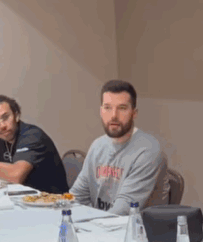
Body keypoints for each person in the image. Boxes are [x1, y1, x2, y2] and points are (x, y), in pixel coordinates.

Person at [69, 80, 169, 214]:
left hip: (134, 226)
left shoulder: (148, 151)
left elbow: (123, 211)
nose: (114, 115)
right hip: (102, 223)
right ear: (101, 111)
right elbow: (76, 197)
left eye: (122, 108)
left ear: (134, 113)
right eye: (107, 107)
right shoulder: (97, 146)